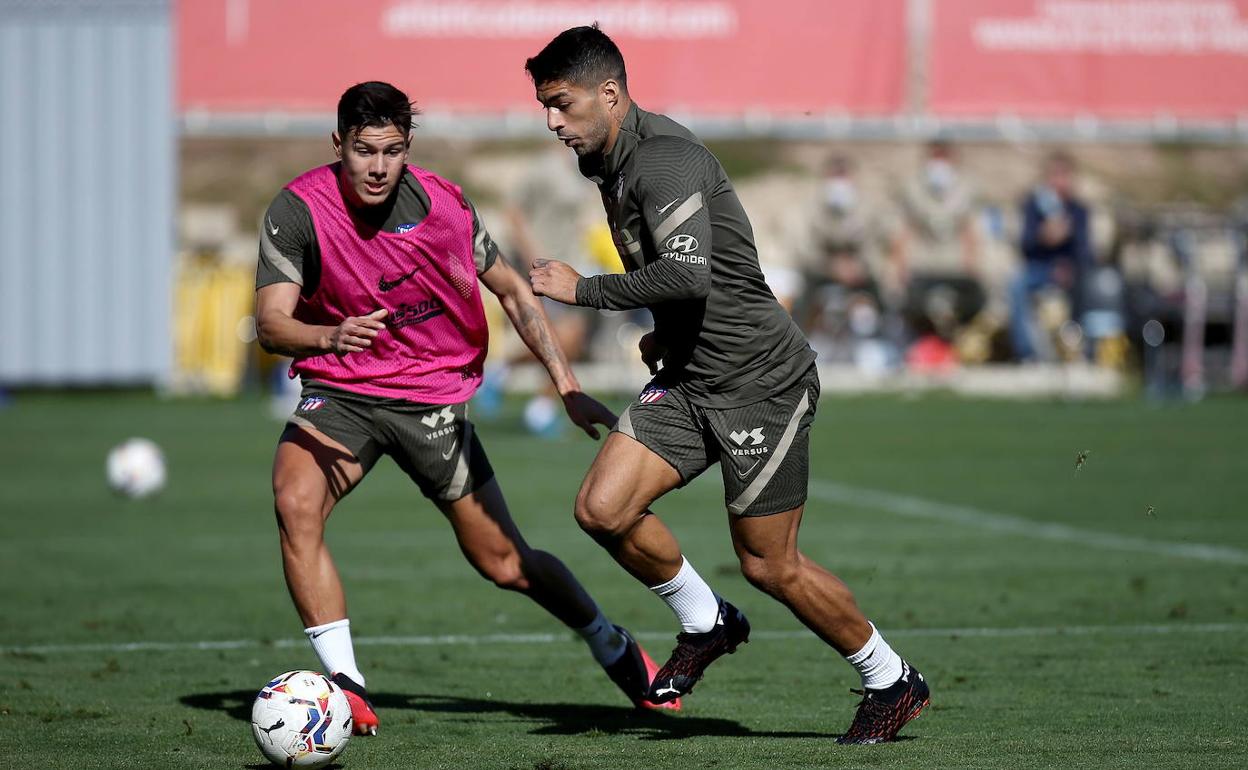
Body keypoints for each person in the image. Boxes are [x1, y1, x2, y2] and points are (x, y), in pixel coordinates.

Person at [524, 27, 929, 745]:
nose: (551, 120)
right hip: (690, 376)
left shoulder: (664, 161)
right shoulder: (606, 160)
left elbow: (689, 273)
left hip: (760, 384)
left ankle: (891, 678)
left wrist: (580, 288)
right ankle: (706, 620)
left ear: (609, 95)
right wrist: (669, 334)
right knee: (602, 508)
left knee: (769, 564)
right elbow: (686, 279)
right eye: (544, 105)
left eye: (561, 104)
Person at [253, 81, 677, 737]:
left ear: (407, 148)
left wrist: (564, 384)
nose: (376, 166)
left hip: (430, 398)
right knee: (294, 502)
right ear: (338, 144)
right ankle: (346, 685)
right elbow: (271, 324)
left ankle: (608, 641)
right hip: (340, 390)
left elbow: (510, 289)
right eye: (363, 150)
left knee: (505, 564)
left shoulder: (445, 207)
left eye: (391, 151)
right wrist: (327, 337)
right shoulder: (297, 211)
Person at [1010, 151, 1094, 361]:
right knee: (1016, 285)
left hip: (1070, 271)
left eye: (1063, 175)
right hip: (1039, 269)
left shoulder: (1078, 211)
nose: (1058, 181)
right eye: (1054, 175)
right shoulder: (1034, 207)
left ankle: (1082, 348)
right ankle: (1027, 353)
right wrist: (1043, 236)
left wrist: (1068, 256)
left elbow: (1086, 253)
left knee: (1088, 284)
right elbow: (1025, 246)